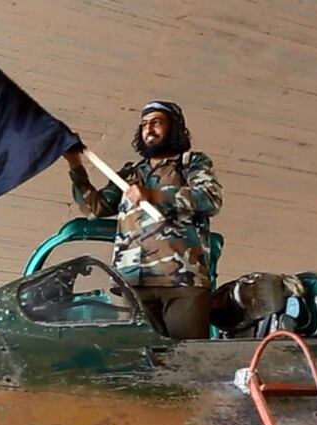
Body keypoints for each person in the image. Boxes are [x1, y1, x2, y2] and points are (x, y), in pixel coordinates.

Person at [64, 101, 223, 339]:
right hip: (132, 283)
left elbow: (210, 199)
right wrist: (75, 164)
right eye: (144, 124)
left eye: (157, 122)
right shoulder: (129, 174)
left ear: (174, 127)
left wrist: (156, 195)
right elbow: (94, 208)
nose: (149, 129)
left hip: (181, 281)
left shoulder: (190, 163)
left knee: (186, 359)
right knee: (141, 361)